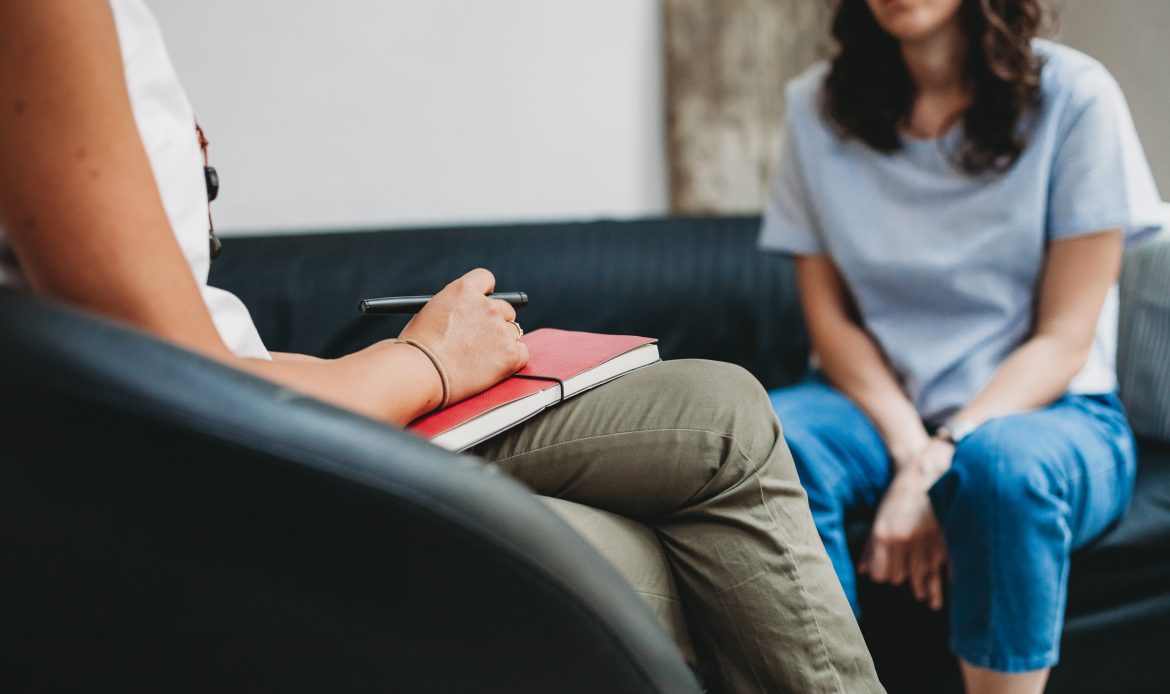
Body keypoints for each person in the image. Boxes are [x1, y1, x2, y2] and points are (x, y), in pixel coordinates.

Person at [0, 1, 887, 691]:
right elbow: (179, 389)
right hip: (218, 480)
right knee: (669, 556)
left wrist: (412, 362)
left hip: (252, 415)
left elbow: (203, 338)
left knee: (720, 407)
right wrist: (426, 362)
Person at [761, 0, 1164, 692]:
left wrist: (946, 451)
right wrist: (912, 453)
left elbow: (1065, 339)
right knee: (760, 440)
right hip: (874, 409)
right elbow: (833, 326)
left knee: (999, 468)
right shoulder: (814, 106)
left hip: (1050, 410)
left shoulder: (1077, 98)